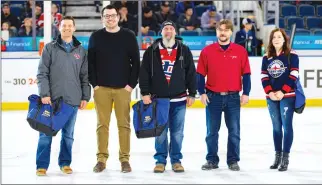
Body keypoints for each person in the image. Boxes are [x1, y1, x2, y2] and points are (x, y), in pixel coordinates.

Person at [88, 5, 140, 173]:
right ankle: (101, 159)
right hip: (101, 89)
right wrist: (94, 85)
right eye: (106, 16)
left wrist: (130, 85)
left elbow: (136, 64)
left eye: (112, 16)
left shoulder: (129, 36)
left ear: (118, 17)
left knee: (123, 125)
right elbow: (90, 63)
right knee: (102, 125)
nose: (109, 18)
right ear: (102, 18)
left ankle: (124, 159)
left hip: (122, 90)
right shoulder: (95, 37)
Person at [36, 16, 91, 176]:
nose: (67, 28)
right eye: (64, 25)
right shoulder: (49, 48)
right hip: (51, 100)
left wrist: (85, 97)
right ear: (59, 28)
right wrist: (44, 94)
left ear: (74, 28)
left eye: (69, 26)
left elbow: (85, 77)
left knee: (68, 135)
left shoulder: (81, 50)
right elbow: (42, 73)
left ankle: (65, 163)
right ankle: (42, 165)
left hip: (72, 101)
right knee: (45, 134)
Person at [139, 20, 196, 173]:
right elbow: (143, 74)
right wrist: (145, 93)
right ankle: (160, 160)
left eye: (171, 28)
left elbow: (191, 74)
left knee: (177, 133)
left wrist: (192, 93)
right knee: (160, 132)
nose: (168, 31)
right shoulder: (151, 51)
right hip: (159, 100)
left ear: (175, 32)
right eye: (166, 29)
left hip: (179, 99)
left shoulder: (184, 50)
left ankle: (176, 160)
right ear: (161, 32)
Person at [197, 19, 251, 171]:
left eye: (226, 30)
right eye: (220, 29)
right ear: (216, 32)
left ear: (231, 32)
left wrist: (246, 93)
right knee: (211, 132)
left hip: (233, 97)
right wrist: (201, 92)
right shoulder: (207, 51)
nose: (223, 32)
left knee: (234, 131)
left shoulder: (240, 51)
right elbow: (200, 75)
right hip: (212, 97)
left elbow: (246, 74)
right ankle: (212, 160)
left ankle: (233, 160)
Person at [261, 28, 299, 172]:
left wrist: (283, 91)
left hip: (287, 96)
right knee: (276, 127)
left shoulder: (292, 55)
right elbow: (263, 76)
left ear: (284, 39)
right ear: (271, 41)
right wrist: (269, 92)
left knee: (286, 126)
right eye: (274, 37)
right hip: (271, 98)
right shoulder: (266, 57)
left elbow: (294, 74)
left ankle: (285, 158)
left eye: (279, 37)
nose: (276, 39)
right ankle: (277, 157)